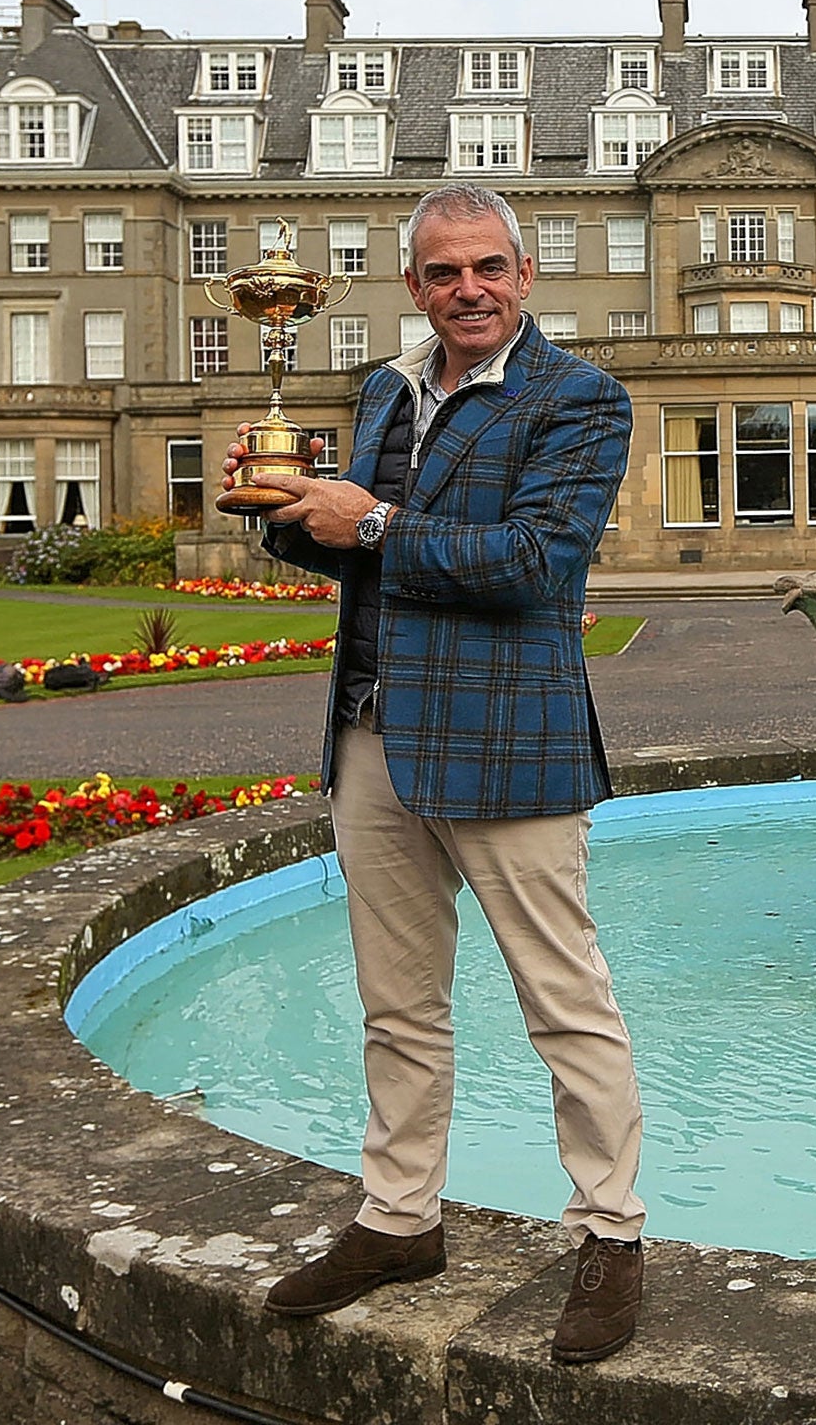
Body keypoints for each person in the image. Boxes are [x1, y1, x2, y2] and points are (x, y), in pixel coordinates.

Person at [230, 183, 645, 1364]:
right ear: (413, 285)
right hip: (371, 735)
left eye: (487, 269)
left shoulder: (579, 398)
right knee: (397, 1007)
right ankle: (398, 1219)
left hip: (507, 742)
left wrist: (363, 523)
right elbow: (357, 553)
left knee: (565, 1005)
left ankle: (610, 1236)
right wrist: (282, 506)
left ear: (524, 276)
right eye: (442, 272)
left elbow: (530, 562)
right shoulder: (386, 388)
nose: (467, 289)